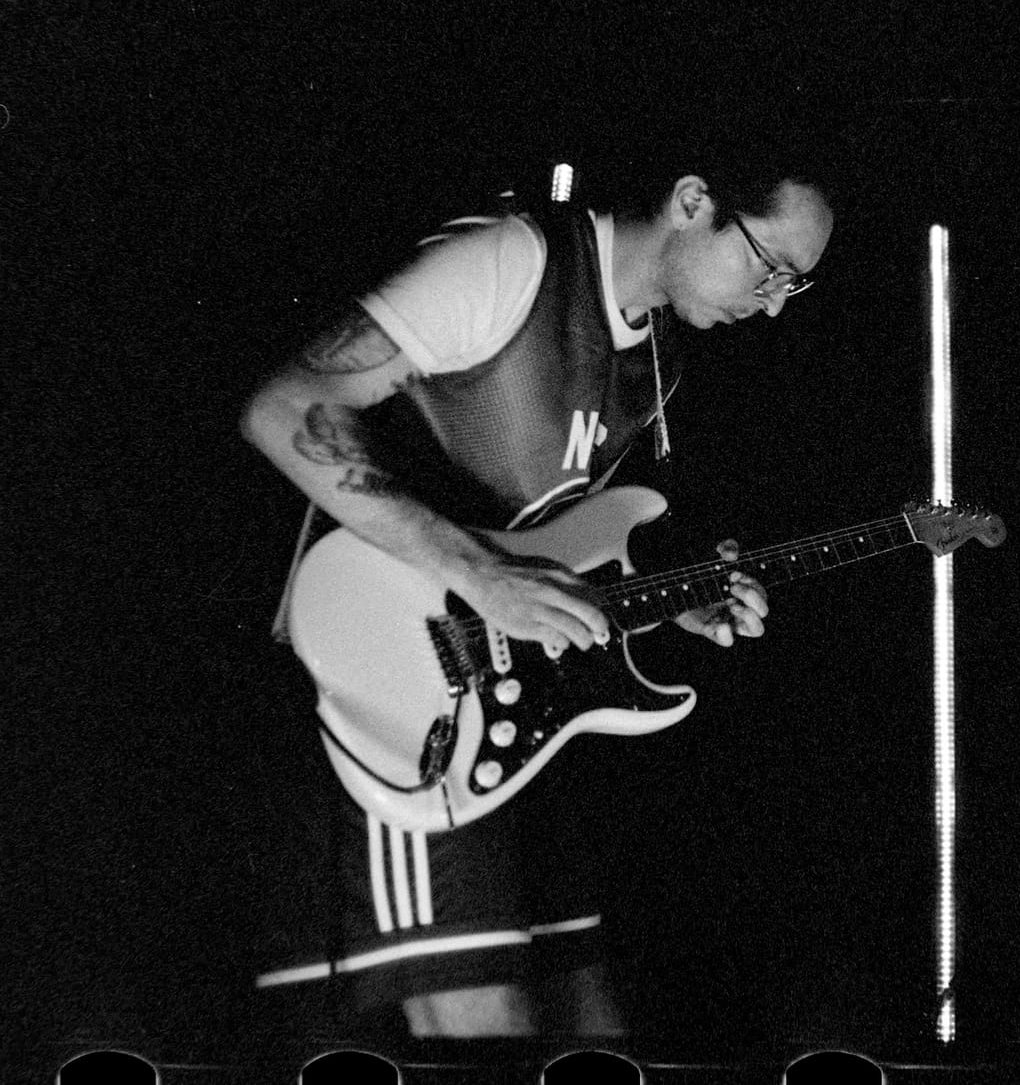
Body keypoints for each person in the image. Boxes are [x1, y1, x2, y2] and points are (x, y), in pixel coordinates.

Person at [240, 150, 835, 1038]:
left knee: (589, 1024)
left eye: (797, 285)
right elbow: (284, 407)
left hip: (519, 707)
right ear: (693, 201)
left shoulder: (661, 349)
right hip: (401, 685)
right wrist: (481, 575)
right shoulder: (513, 263)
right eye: (769, 264)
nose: (776, 299)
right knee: (483, 1025)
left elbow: (565, 536)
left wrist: (671, 599)